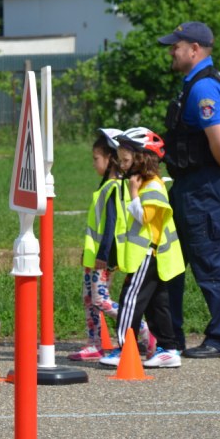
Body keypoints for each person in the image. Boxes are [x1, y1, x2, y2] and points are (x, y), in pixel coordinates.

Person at [158, 22, 220, 358]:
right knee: (172, 262)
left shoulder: (203, 87)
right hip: (188, 185)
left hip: (199, 190)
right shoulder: (194, 84)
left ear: (194, 49)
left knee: (209, 263)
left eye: (176, 46)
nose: (172, 51)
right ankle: (170, 337)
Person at [99, 128, 185, 368]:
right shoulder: (147, 184)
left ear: (142, 158)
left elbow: (144, 217)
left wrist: (134, 192)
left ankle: (125, 349)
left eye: (126, 160)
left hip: (147, 255)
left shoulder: (152, 187)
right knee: (157, 304)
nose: (122, 165)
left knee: (130, 300)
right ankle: (169, 349)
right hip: (150, 256)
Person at [70, 129, 155, 362]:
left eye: (96, 158)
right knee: (89, 300)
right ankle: (94, 344)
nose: (93, 163)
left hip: (101, 258)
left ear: (111, 159)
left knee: (101, 300)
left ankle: (145, 331)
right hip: (93, 255)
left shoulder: (114, 188)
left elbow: (110, 225)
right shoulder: (106, 186)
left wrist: (103, 256)